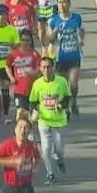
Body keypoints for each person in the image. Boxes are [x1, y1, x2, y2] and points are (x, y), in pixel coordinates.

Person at [28, 56, 71, 184]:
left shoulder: (61, 81)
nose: (46, 70)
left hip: (59, 121)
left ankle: (59, 159)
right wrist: (34, 112)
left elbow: (67, 98)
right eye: (44, 67)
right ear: (40, 69)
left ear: (53, 68)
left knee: (58, 150)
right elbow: (32, 101)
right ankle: (50, 174)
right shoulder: (37, 84)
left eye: (49, 67)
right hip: (44, 121)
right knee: (45, 149)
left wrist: (61, 105)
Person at [0, 118, 42, 193]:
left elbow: (37, 157)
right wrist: (13, 162)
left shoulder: (32, 145)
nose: (23, 130)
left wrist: (35, 167)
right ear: (15, 129)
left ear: (29, 131)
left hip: (27, 187)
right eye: (20, 127)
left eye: (26, 128)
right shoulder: (8, 144)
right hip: (11, 187)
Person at [47, 0, 84, 114]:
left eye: (64, 2)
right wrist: (55, 31)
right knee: (63, 84)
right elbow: (50, 39)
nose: (62, 5)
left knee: (73, 83)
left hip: (74, 55)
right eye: (59, 3)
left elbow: (81, 29)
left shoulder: (77, 18)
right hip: (60, 57)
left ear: (69, 4)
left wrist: (81, 39)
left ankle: (74, 100)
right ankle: (66, 107)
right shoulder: (53, 21)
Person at [6, 30, 42, 124]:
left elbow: (41, 72)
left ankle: (29, 132)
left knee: (32, 117)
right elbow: (7, 65)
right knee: (20, 112)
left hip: (32, 90)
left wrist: (31, 73)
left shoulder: (35, 54)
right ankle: (19, 131)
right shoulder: (14, 54)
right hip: (19, 89)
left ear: (30, 41)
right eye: (22, 40)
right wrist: (11, 78)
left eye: (27, 40)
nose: (24, 42)